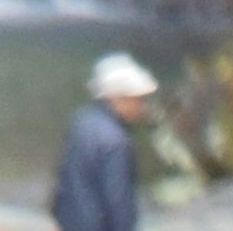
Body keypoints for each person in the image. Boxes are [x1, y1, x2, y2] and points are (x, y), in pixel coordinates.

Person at [51, 52, 157, 231]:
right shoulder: (116, 142)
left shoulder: (81, 123)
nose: (143, 107)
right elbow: (118, 202)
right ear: (118, 98)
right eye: (138, 100)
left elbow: (63, 184)